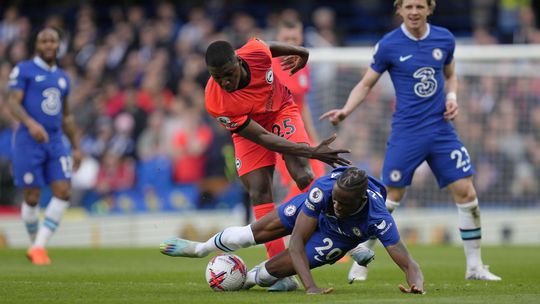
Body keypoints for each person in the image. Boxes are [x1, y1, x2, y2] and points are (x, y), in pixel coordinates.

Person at [320, 0, 501, 281]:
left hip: (441, 131)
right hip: (406, 132)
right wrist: (346, 110)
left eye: (419, 5)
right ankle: (362, 262)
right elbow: (366, 82)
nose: (414, 11)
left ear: (430, 8)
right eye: (408, 6)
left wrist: (452, 98)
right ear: (399, 10)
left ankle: (475, 266)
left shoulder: (444, 38)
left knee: (466, 191)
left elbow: (450, 76)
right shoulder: (389, 44)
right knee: (389, 198)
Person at [202, 38, 351, 290]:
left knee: (303, 174)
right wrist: (312, 151)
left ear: (239, 61)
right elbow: (263, 138)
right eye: (218, 78)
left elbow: (269, 47)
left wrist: (301, 52)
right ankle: (279, 275)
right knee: (259, 189)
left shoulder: (255, 53)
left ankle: (345, 232)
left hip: (281, 109)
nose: (225, 82)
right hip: (250, 127)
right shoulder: (216, 101)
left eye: (228, 74)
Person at [160, 166, 424, 295]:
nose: (337, 204)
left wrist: (417, 286)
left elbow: (408, 262)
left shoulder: (379, 217)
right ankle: (199, 249)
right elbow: (296, 240)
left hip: (338, 236)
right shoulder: (324, 192)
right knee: (246, 236)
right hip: (311, 210)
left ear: (361, 202)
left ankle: (259, 278)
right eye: (336, 198)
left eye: (343, 203)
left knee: (263, 278)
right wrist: (311, 287)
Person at [7, 27, 80, 265]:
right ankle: (35, 244)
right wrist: (30, 124)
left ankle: (38, 246)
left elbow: (67, 115)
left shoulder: (63, 77)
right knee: (32, 196)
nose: (49, 44)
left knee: (63, 192)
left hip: (56, 140)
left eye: (53, 41)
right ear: (37, 45)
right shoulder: (24, 70)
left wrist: (77, 147)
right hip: (29, 140)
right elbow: (12, 103)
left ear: (59, 45)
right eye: (44, 40)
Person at [271, 18, 327, 202]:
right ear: (277, 39)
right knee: (301, 182)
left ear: (301, 38)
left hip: (301, 134)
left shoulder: (302, 66)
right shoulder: (268, 68)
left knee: (319, 179)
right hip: (279, 136)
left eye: (294, 39)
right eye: (286, 39)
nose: (290, 44)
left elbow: (302, 106)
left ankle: (295, 227)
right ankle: (284, 227)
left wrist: (314, 139)